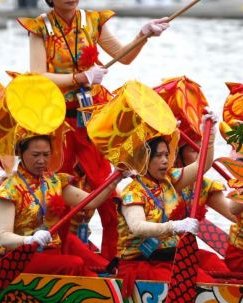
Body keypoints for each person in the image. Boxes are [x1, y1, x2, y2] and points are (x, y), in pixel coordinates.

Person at [17, 0, 169, 260]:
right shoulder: (39, 27)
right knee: (58, 195)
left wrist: (143, 36)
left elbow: (124, 56)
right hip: (58, 123)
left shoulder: (92, 20)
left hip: (92, 122)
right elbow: (38, 76)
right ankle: (61, 255)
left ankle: (114, 259)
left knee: (105, 190)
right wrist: (80, 78)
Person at [116, 115, 231, 296]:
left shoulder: (170, 180)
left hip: (171, 257)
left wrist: (209, 135)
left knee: (216, 266)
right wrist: (175, 226)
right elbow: (137, 227)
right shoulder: (132, 192)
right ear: (145, 158)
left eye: (166, 155)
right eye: (158, 156)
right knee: (202, 283)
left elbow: (203, 165)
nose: (164, 160)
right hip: (143, 262)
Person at [0, 135, 121, 276]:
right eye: (35, 155)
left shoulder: (53, 181)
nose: (42, 160)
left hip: (53, 254)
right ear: (21, 153)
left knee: (94, 275)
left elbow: (91, 201)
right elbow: (4, 237)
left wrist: (115, 179)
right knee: (75, 263)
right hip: (21, 259)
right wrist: (29, 239)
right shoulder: (8, 189)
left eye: (46, 155)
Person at [175, 142, 235, 222]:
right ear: (178, 156)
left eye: (202, 149)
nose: (201, 154)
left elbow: (234, 215)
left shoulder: (205, 186)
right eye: (194, 150)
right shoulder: (167, 179)